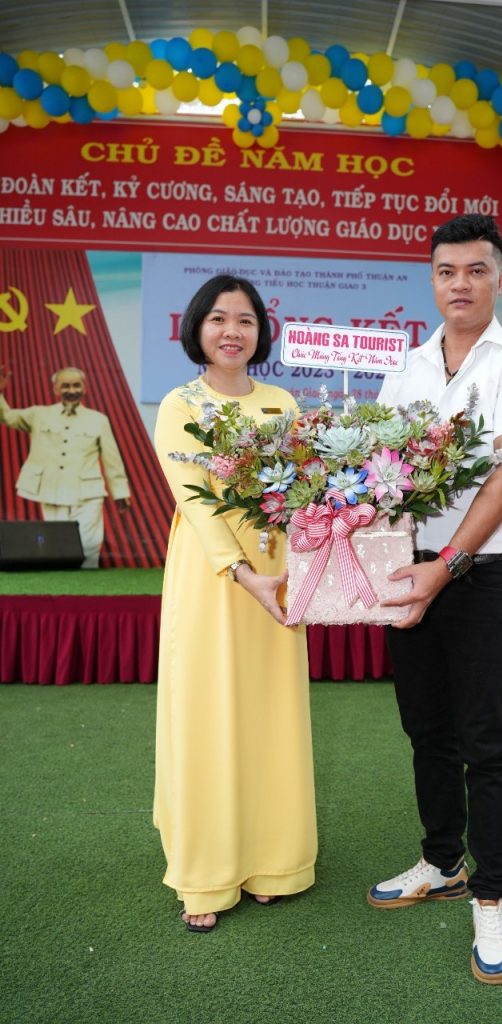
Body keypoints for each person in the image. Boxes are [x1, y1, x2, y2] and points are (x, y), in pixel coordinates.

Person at [368, 214, 502, 984]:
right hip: (407, 568)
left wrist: (444, 566)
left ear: (499, 279)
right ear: (431, 279)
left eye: (476, 270)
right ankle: (442, 861)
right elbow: (381, 471)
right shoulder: (407, 366)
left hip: (481, 573)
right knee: (425, 728)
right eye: (447, 271)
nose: (460, 284)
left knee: (484, 738)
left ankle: (490, 895)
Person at [153, 274, 317, 933]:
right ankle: (206, 873)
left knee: (272, 713)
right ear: (196, 328)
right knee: (208, 713)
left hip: (277, 572)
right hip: (212, 573)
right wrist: (241, 571)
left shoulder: (282, 403)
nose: (231, 331)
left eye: (245, 320)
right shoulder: (180, 403)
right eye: (218, 318)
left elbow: (303, 490)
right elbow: (194, 499)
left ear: (260, 333)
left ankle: (272, 863)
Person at [0, 365, 131, 568]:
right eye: (65, 386)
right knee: (57, 546)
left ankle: (89, 584)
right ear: (56, 389)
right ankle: (62, 587)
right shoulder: (39, 414)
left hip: (88, 494)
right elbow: (6, 416)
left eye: (76, 385)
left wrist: (120, 492)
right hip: (51, 491)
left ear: (84, 388)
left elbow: (112, 459)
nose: (71, 390)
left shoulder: (98, 420)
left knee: (89, 545)